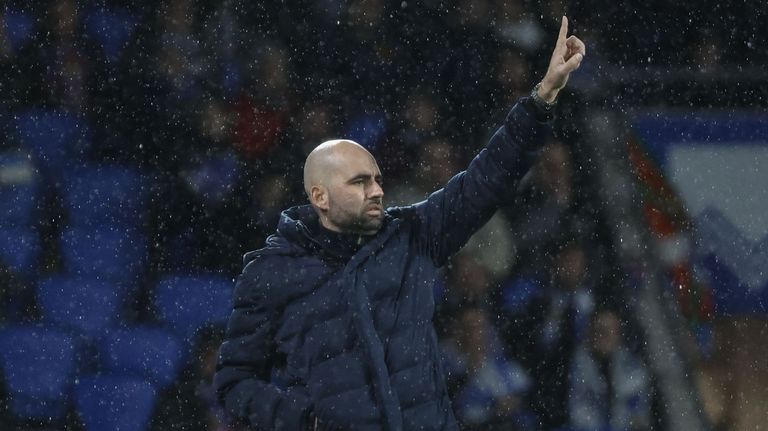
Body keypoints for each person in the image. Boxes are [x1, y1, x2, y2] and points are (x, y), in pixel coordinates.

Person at [214, 16, 586, 430]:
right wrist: (304, 420)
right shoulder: (272, 273)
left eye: (376, 179)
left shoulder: (411, 234)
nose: (376, 191)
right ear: (320, 196)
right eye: (359, 182)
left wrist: (540, 99)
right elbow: (235, 383)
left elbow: (486, 181)